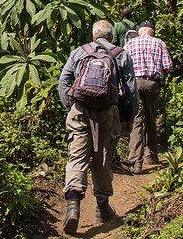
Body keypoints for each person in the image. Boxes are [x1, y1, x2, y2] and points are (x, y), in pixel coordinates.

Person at [58, 20, 138, 235]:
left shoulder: (79, 52)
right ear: (111, 37)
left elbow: (64, 81)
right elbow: (131, 88)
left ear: (94, 36)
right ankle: (102, 207)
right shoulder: (121, 54)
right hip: (107, 111)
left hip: (80, 109)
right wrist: (130, 115)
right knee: (102, 156)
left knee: (77, 155)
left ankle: (73, 207)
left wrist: (70, 106)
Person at [124, 20, 173, 174]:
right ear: (152, 31)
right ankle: (151, 156)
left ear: (140, 31)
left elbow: (122, 64)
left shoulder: (130, 44)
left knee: (137, 121)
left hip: (135, 84)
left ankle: (135, 162)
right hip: (152, 84)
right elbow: (168, 66)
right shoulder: (159, 43)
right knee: (151, 119)